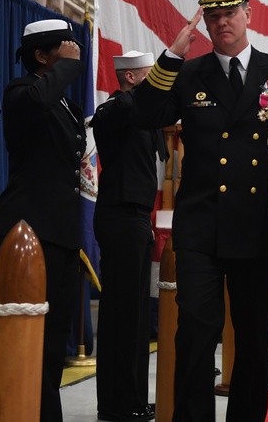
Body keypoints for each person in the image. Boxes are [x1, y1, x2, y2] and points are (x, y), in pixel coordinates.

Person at [132, 0, 268, 422]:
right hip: (201, 225)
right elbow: (147, 113)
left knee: (251, 338)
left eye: (230, 12)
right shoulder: (189, 73)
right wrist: (172, 54)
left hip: (257, 225)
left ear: (249, 13)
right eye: (212, 16)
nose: (221, 23)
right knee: (194, 331)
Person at [0, 19, 85, 422]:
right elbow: (37, 101)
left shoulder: (64, 102)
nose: (75, 52)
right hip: (25, 230)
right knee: (28, 338)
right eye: (66, 46)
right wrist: (67, 67)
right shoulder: (22, 91)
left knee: (52, 340)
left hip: (58, 231)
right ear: (42, 55)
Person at [91, 50, 166, 422]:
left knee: (135, 317)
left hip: (136, 218)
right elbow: (120, 112)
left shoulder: (144, 114)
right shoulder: (116, 109)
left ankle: (133, 398)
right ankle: (117, 403)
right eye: (149, 76)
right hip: (119, 216)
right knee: (121, 316)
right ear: (131, 79)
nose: (156, 82)